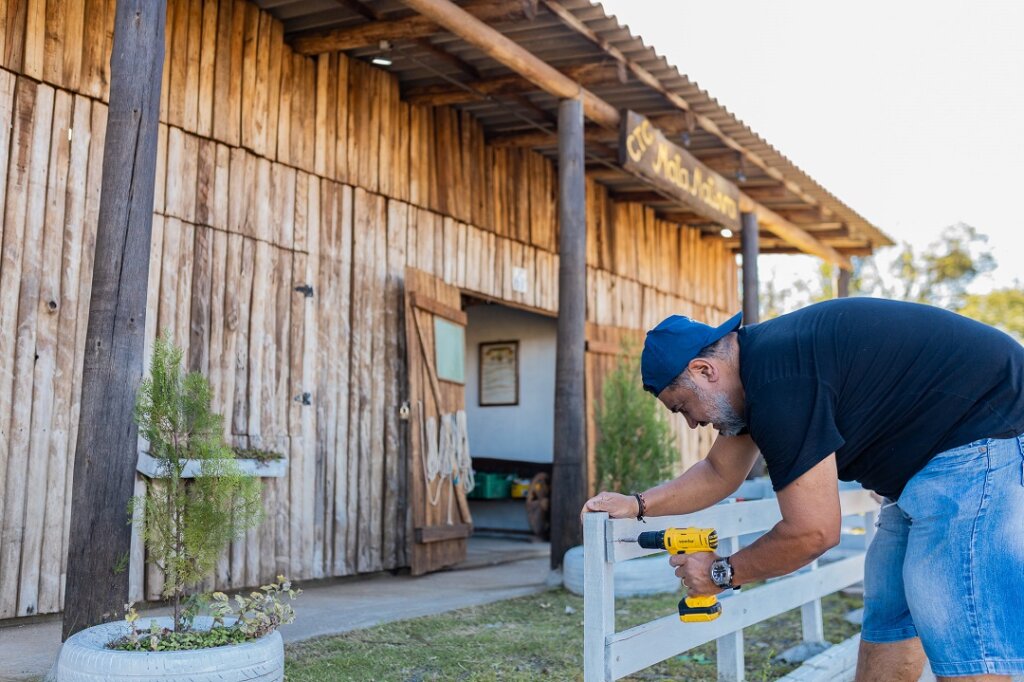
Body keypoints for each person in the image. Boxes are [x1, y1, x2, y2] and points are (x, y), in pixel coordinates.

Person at [581, 297, 1024, 682]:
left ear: (704, 370)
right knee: (890, 616)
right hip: (923, 467)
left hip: (979, 440)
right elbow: (719, 471)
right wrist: (638, 504)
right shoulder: (758, 371)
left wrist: (721, 574)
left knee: (965, 634)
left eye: (683, 407)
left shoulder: (778, 382)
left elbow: (813, 532)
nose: (693, 423)